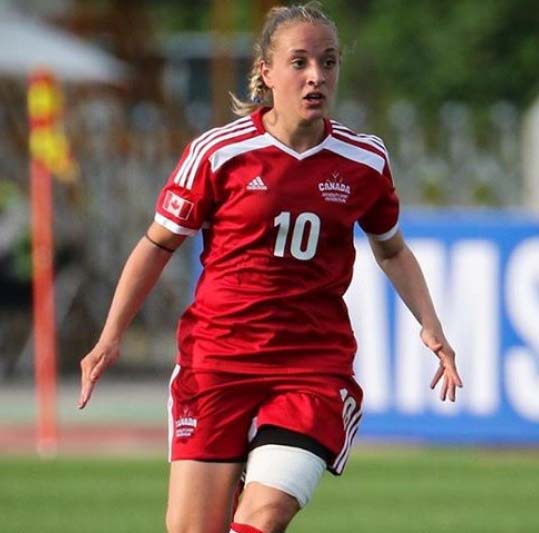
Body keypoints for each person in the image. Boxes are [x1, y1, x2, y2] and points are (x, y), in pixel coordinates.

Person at [79, 3, 463, 532]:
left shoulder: (364, 161)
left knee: (265, 515)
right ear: (266, 71)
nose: (316, 76)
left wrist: (431, 324)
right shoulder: (218, 153)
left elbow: (391, 249)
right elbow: (157, 244)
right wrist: (110, 335)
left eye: (328, 62)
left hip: (310, 369)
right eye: (299, 62)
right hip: (217, 362)